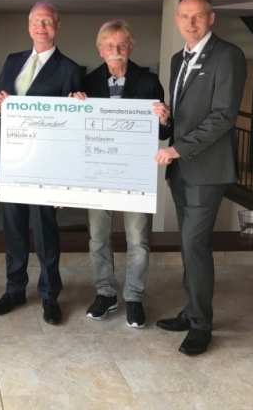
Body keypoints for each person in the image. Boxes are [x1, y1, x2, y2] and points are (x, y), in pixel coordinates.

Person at [153, 0, 247, 356]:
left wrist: (177, 149)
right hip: (181, 168)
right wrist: (167, 120)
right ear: (177, 20)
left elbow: (223, 117)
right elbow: (185, 113)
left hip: (208, 169)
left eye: (197, 16)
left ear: (211, 18)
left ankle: (201, 326)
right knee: (188, 244)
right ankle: (192, 310)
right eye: (184, 16)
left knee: (195, 244)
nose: (190, 22)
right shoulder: (178, 59)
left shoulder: (228, 56)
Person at [0, 2, 82, 326]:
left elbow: (72, 128)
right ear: (28, 26)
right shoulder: (13, 61)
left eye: (47, 21)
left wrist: (65, 180)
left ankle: (50, 294)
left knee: (45, 234)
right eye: (35, 21)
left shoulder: (70, 69)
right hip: (12, 161)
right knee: (13, 230)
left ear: (57, 26)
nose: (40, 26)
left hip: (45, 166)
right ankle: (14, 290)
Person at [70, 19, 167, 328]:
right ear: (100, 50)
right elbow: (75, 132)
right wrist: (74, 110)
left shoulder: (149, 82)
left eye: (121, 45)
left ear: (130, 48)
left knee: (138, 238)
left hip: (134, 172)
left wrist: (164, 119)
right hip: (97, 172)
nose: (116, 50)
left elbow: (164, 132)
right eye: (109, 45)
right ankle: (106, 293)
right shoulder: (86, 83)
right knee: (98, 237)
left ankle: (135, 297)